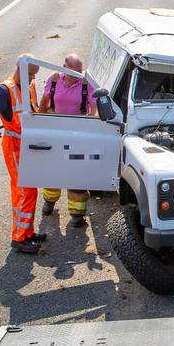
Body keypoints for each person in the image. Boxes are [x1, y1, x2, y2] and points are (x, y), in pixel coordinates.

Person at [0, 55, 41, 253]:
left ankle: (27, 232)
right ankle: (19, 237)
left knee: (27, 191)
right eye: (30, 74)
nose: (33, 79)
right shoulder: (4, 90)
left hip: (29, 145)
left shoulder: (30, 85)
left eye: (34, 75)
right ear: (19, 69)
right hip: (15, 146)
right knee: (26, 191)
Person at [38, 54, 97, 223]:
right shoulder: (54, 79)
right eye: (74, 71)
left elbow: (94, 108)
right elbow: (44, 101)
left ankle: (77, 214)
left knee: (76, 170)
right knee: (53, 168)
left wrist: (92, 127)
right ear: (64, 67)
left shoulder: (86, 82)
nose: (78, 74)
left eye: (80, 71)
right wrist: (40, 124)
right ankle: (49, 201)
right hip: (55, 131)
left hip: (77, 133)